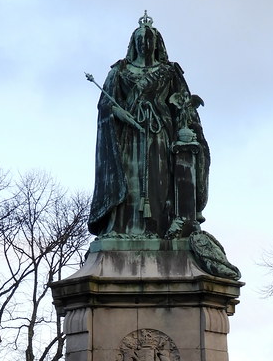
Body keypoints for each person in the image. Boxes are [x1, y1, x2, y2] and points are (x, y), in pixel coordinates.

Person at [88, 13, 209, 240]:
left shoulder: (169, 72)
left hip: (159, 133)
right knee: (129, 179)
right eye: (140, 39)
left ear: (156, 43)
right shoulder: (119, 71)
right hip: (129, 135)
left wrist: (188, 127)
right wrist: (119, 112)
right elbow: (105, 105)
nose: (144, 43)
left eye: (149, 39)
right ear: (133, 43)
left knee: (158, 181)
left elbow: (183, 104)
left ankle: (158, 228)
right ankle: (122, 227)